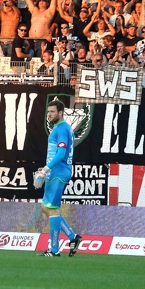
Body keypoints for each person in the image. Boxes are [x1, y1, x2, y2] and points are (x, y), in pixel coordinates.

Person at [39, 98, 81, 257]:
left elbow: (61, 153)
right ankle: (73, 237)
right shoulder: (60, 128)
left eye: (52, 112)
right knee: (46, 207)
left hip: (58, 171)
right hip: (55, 171)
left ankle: (55, 250)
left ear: (61, 113)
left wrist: (45, 170)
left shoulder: (62, 129)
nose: (49, 114)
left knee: (52, 208)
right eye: (48, 112)